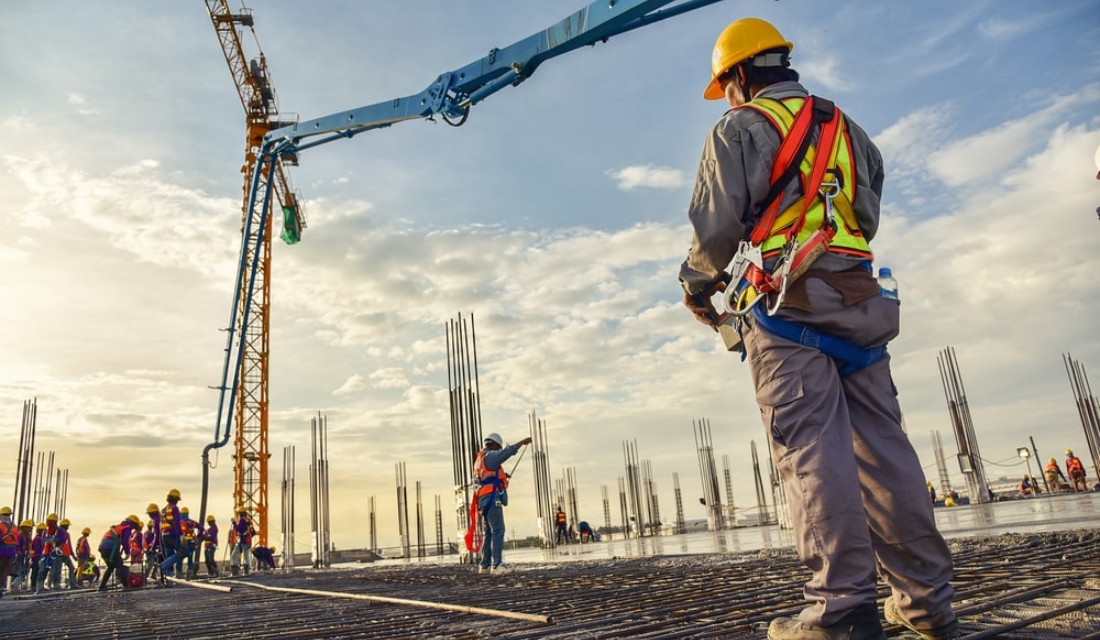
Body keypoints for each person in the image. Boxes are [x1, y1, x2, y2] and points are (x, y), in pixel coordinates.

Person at [679, 18, 957, 640]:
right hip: (859, 302)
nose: (725, 96)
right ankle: (927, 603)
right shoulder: (848, 130)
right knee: (886, 455)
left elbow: (715, 227)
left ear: (741, 74)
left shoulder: (740, 128)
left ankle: (842, 610)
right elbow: (865, 215)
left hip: (786, 309)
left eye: (725, 84)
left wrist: (696, 285)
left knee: (812, 454)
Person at [474, 432, 531, 574]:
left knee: (489, 532)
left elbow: (486, 477)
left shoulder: (480, 459)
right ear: (494, 445)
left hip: (482, 500)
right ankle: (498, 565)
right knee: (498, 530)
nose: (499, 450)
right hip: (492, 499)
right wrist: (522, 442)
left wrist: (502, 477)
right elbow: (507, 452)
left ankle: (485, 565)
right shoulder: (491, 456)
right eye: (498, 447)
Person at [98, 515, 141, 592]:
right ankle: (126, 586)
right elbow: (124, 541)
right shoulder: (128, 527)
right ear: (134, 523)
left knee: (111, 567)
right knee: (119, 565)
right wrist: (127, 552)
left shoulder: (119, 527)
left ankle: (102, 587)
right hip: (110, 548)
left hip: (103, 548)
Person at [159, 489, 183, 579]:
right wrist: (180, 535)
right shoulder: (174, 508)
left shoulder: (163, 510)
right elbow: (177, 523)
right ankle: (163, 565)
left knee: (169, 555)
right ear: (175, 499)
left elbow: (161, 525)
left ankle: (170, 578)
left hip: (164, 536)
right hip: (173, 535)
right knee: (182, 552)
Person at [49, 518, 77, 589]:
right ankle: (56, 584)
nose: (68, 527)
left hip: (66, 555)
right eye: (67, 526)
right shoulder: (57, 533)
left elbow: (69, 545)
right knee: (57, 569)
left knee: (72, 568)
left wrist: (73, 555)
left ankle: (72, 584)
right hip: (59, 555)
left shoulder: (67, 534)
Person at [230, 506, 255, 576]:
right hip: (248, 542)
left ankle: (234, 572)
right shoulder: (249, 521)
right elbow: (253, 532)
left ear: (240, 514)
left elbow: (238, 529)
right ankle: (246, 572)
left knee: (234, 555)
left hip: (242, 541)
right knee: (246, 556)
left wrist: (234, 522)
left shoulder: (242, 520)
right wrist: (248, 537)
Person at [11, 519, 34, 593]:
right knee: (20, 571)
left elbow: (28, 547)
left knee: (21, 571)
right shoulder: (20, 536)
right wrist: (19, 553)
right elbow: (17, 545)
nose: (30, 529)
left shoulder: (27, 537)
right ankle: (15, 585)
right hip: (20, 556)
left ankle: (14, 588)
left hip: (24, 556)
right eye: (29, 528)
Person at [0, 507, 17, 596]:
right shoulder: (14, 527)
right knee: (5, 572)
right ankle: (1, 589)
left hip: (2, 551)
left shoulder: (1, 526)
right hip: (11, 552)